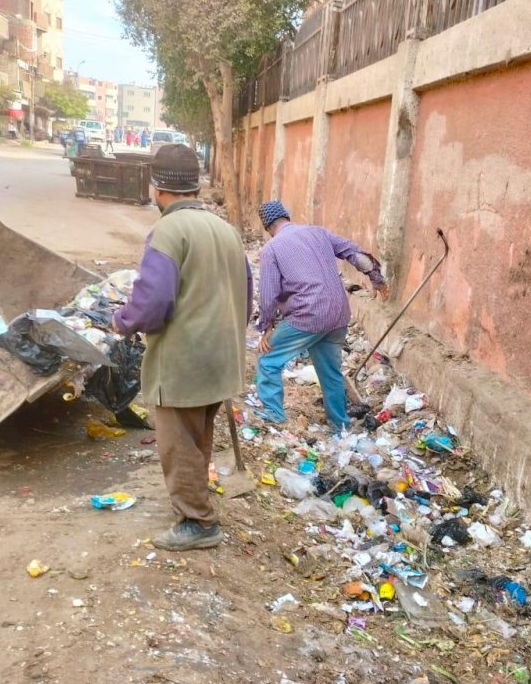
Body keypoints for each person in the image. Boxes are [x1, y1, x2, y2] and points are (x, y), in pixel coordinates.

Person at [113, 144, 253, 551]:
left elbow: (152, 302)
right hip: (221, 357)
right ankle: (194, 505)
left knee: (178, 442)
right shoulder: (226, 231)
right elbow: (245, 291)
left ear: (157, 188)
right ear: (195, 184)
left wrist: (123, 321)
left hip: (184, 360)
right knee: (197, 436)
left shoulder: (170, 231)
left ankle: (198, 523)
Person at [256, 200, 388, 431]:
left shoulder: (271, 249)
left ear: (267, 228)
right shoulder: (318, 232)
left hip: (308, 315)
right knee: (330, 371)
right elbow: (354, 253)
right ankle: (340, 426)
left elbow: (269, 294)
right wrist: (376, 277)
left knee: (268, 360)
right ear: (287, 217)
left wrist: (267, 326)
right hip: (338, 314)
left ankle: (273, 413)